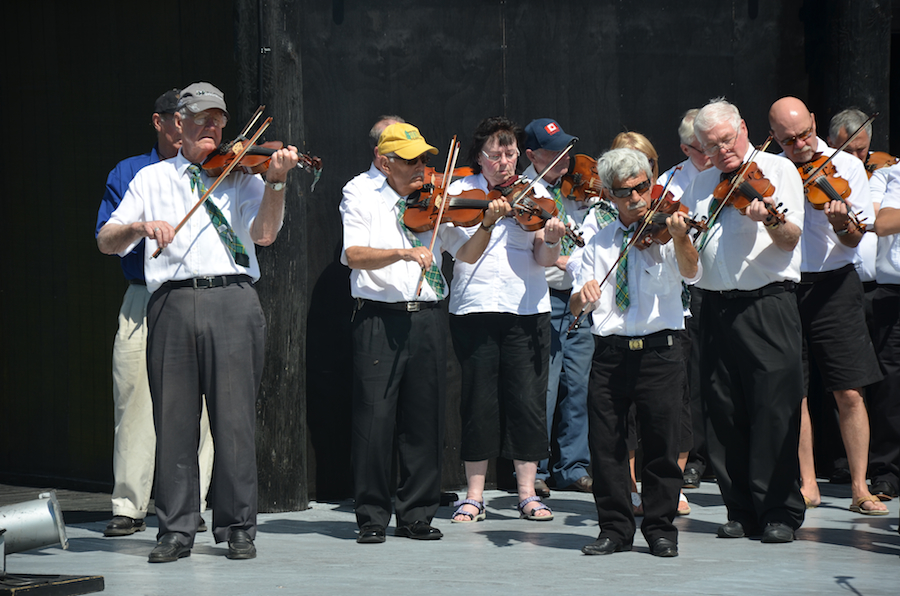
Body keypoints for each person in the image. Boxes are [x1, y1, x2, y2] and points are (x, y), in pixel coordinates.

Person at [98, 82, 300, 562]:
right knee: (172, 420)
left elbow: (266, 234)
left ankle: (237, 527)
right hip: (170, 301)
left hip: (231, 297)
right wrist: (139, 227)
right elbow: (107, 240)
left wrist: (276, 181)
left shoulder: (244, 176)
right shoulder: (150, 179)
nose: (212, 128)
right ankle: (176, 528)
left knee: (234, 421)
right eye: (202, 120)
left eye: (219, 121)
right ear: (178, 125)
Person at [340, 122, 508, 544]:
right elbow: (353, 255)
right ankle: (372, 517)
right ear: (384, 162)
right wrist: (402, 251)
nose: (423, 168)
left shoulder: (436, 200)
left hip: (428, 315)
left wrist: (485, 225)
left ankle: (416, 513)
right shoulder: (359, 192)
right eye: (411, 160)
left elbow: (465, 254)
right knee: (374, 420)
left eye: (426, 160)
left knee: (424, 419)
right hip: (380, 316)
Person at [680, 97, 806, 543]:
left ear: (744, 129)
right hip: (713, 305)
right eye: (711, 146)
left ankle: (779, 512)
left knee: (773, 409)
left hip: (766, 303)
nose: (722, 151)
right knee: (723, 411)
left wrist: (769, 220)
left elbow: (790, 239)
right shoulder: (699, 184)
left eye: (727, 140)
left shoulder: (778, 171)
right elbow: (690, 260)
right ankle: (740, 509)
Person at [95, 89, 214, 538]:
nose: (190, 126)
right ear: (162, 123)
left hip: (196, 296)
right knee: (135, 399)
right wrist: (137, 227)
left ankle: (194, 502)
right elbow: (107, 239)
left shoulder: (214, 171)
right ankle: (129, 504)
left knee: (199, 405)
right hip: (144, 295)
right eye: (180, 118)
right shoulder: (131, 172)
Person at [571, 148, 700, 558]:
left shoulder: (668, 231)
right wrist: (582, 296)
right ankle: (614, 529)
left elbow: (692, 271)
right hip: (610, 352)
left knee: (661, 443)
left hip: (660, 351)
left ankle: (661, 529)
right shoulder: (599, 240)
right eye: (625, 192)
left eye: (643, 187)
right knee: (606, 445)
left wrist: (679, 236)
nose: (637, 198)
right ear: (609, 195)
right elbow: (576, 303)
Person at [768, 97, 886, 515]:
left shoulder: (847, 166)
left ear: (815, 122)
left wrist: (841, 224)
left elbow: (854, 239)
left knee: (850, 389)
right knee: (793, 391)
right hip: (787, 288)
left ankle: (860, 487)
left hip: (836, 285)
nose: (799, 145)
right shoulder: (772, 170)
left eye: (804, 134)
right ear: (774, 138)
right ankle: (807, 483)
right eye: (787, 140)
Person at [448, 116, 565, 523]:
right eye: (496, 154)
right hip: (475, 307)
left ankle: (528, 494)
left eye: (511, 153)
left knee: (527, 402)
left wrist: (550, 240)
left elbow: (544, 259)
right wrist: (488, 220)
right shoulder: (460, 193)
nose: (505, 162)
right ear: (478, 158)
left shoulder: (538, 193)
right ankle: (474, 495)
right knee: (478, 400)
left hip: (527, 308)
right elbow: (464, 254)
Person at [521, 118, 593, 497]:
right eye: (553, 151)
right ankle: (540, 468)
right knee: (544, 388)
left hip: (579, 298)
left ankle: (574, 465)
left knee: (578, 384)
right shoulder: (524, 193)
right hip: (543, 298)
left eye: (566, 148)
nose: (564, 157)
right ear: (531, 155)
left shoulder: (578, 190)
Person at [657, 109, 716, 495]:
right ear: (684, 148)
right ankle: (692, 458)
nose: (708, 156)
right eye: (700, 150)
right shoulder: (670, 182)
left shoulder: (731, 174)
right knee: (689, 377)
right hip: (689, 286)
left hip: (724, 284)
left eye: (712, 147)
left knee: (719, 375)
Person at [869, 167, 900, 501]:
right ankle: (887, 472)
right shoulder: (894, 175)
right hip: (894, 291)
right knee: (890, 389)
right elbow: (883, 222)